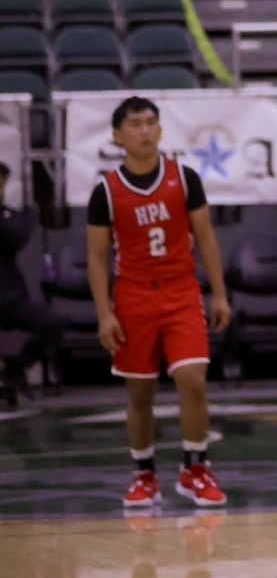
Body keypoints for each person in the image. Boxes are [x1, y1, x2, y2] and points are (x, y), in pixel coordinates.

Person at [87, 97, 231, 508]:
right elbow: (96, 257)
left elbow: (206, 237)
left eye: (151, 122)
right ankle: (144, 474)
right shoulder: (106, 190)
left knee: (193, 380)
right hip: (133, 296)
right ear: (118, 135)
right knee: (140, 394)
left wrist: (219, 293)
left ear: (161, 130)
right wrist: (104, 314)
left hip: (180, 291)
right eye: (135, 124)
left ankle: (195, 468)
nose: (145, 130)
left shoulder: (184, 178)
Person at [0, 161, 62, 406]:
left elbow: (14, 238)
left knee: (54, 322)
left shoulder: (15, 217)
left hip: (10, 297)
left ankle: (16, 366)